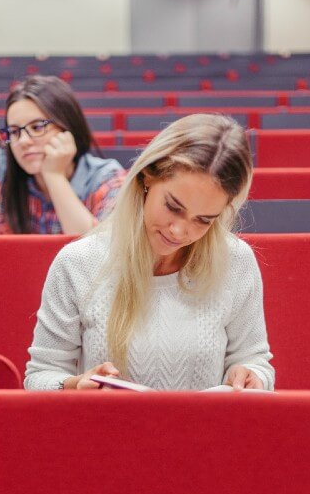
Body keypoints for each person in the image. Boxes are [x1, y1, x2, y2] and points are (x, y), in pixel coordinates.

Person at [24, 113, 274, 392]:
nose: (179, 231)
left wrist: (252, 376)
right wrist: (76, 385)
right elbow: (40, 376)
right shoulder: (78, 263)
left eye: (204, 220)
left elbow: (255, 360)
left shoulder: (235, 261)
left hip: (205, 433)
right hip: (106, 431)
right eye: (173, 207)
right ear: (147, 178)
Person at [0, 75, 126, 236]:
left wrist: (54, 176)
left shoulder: (107, 178)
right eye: (14, 131)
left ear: (68, 128)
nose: (23, 141)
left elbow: (99, 257)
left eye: (37, 127)